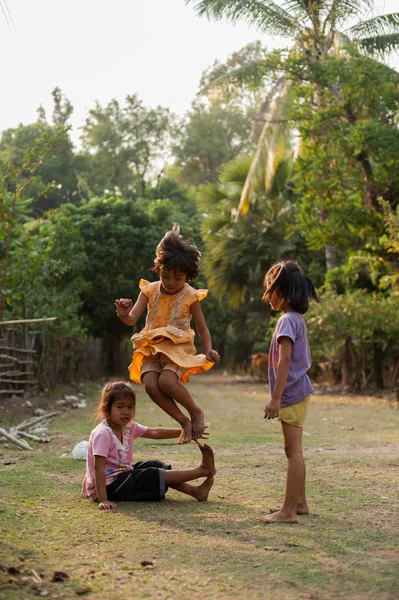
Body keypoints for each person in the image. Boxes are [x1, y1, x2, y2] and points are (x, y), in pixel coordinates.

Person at [115, 224, 220, 444]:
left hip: (176, 347)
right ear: (158, 269)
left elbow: (202, 329)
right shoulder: (149, 290)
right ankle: (184, 421)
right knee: (151, 385)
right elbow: (132, 319)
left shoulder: (190, 295)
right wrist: (123, 313)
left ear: (188, 277)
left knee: (168, 382)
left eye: (178, 278)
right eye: (166, 275)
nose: (171, 282)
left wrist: (209, 350)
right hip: (152, 345)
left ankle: (195, 411)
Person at [82, 381, 216, 510]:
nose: (126, 412)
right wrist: (103, 499)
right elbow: (98, 468)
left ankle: (195, 491)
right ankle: (202, 470)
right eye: (119, 406)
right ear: (106, 409)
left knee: (155, 465)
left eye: (130, 407)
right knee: (150, 475)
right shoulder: (103, 434)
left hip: (122, 475)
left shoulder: (128, 427)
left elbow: (154, 432)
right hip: (108, 486)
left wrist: (187, 432)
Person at [260, 260, 321, 524]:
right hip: (299, 391)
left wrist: (275, 397)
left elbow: (283, 361)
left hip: (291, 393)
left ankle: (288, 511)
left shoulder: (286, 321)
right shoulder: (296, 319)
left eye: (270, 291)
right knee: (296, 450)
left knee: (292, 451)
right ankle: (300, 502)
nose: (268, 297)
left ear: (281, 292)